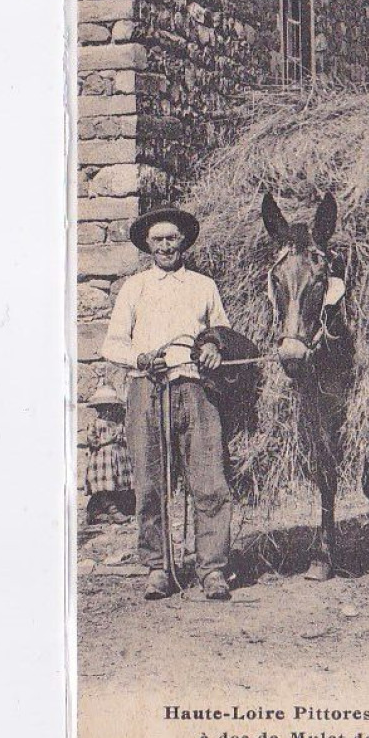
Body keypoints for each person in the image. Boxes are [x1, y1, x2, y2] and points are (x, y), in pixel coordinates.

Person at [101, 206, 233, 602]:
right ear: (147, 245)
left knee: (210, 481)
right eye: (157, 239)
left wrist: (212, 345)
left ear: (183, 243)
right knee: (150, 485)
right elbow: (111, 344)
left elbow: (221, 329)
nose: (164, 246)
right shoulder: (135, 288)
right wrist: (139, 359)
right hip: (147, 389)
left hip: (195, 389)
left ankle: (212, 569)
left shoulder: (203, 285)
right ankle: (158, 567)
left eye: (171, 238)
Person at [83, 383, 133, 526]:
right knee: (103, 486)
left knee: (116, 485)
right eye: (103, 408)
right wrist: (105, 441)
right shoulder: (95, 423)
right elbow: (92, 440)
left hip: (118, 458)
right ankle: (111, 510)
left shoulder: (119, 424)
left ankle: (101, 511)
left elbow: (125, 437)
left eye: (110, 407)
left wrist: (119, 438)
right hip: (102, 459)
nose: (107, 411)